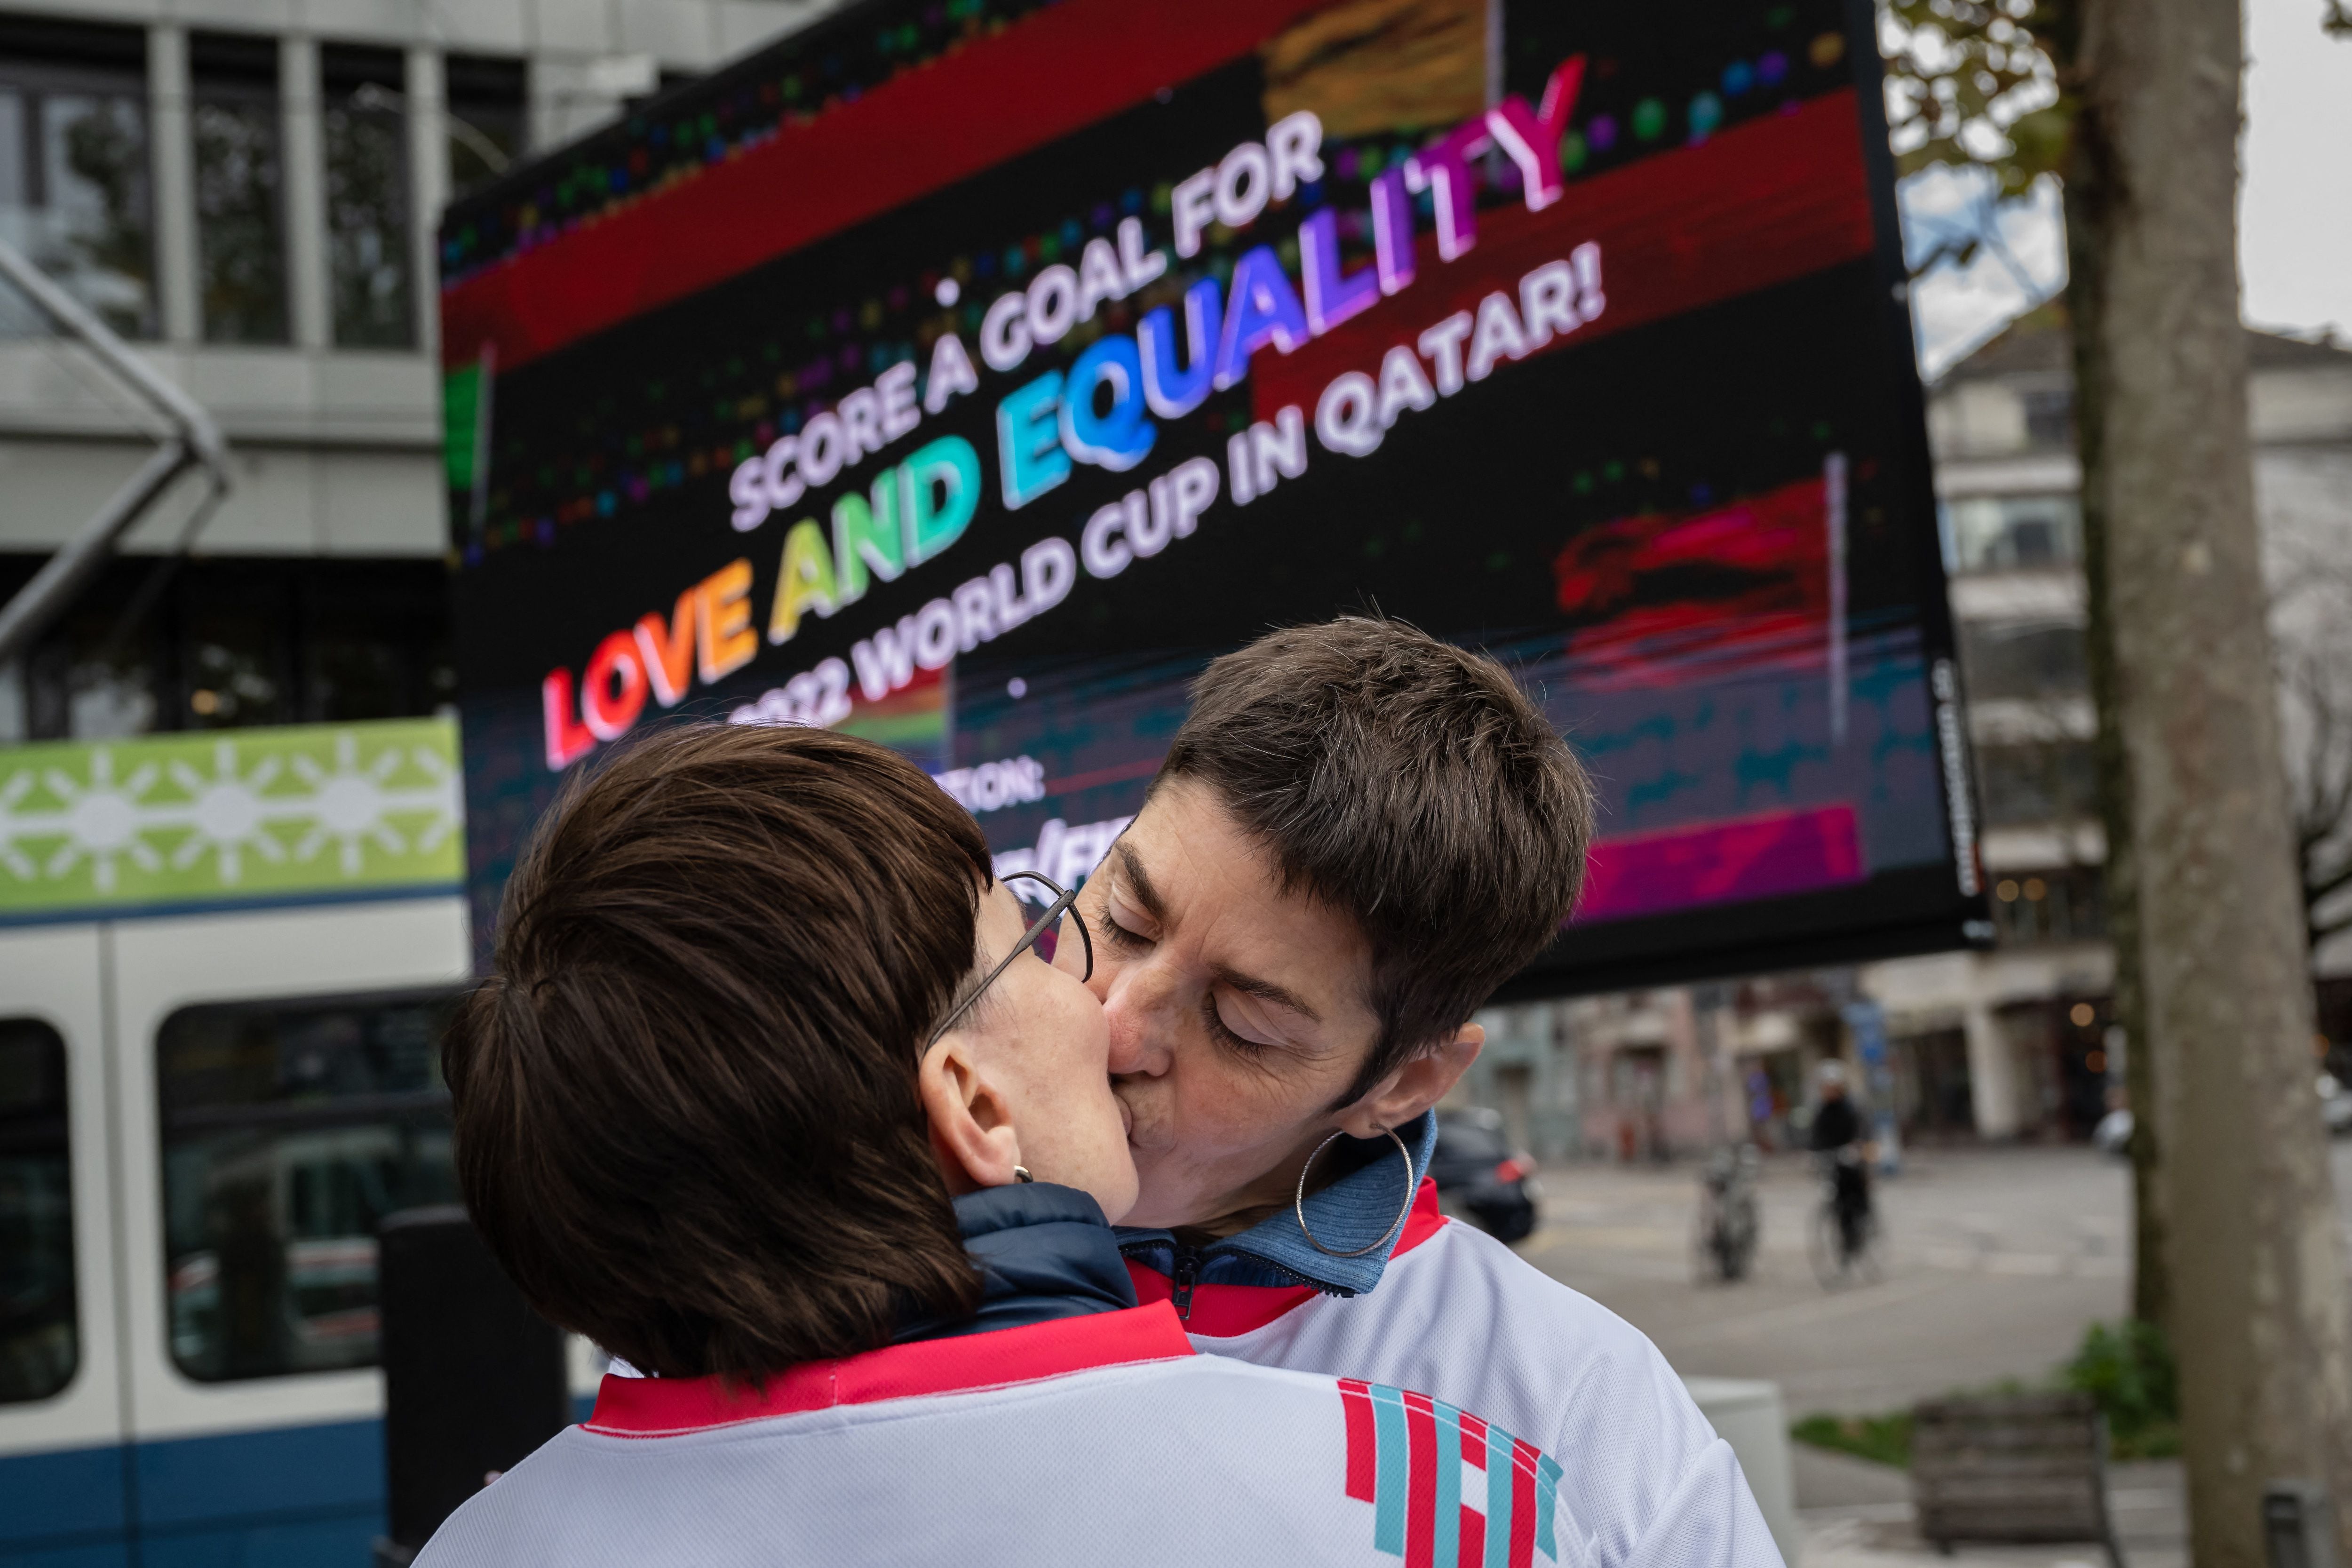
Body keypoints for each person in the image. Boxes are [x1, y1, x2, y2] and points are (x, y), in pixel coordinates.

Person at [419, 724, 1581, 1567]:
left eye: (1244, 1020)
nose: (1109, 1017)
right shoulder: (1409, 1502)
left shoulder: (481, 1544)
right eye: (1033, 942)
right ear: (973, 1108)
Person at [1080, 617, 1783, 1568]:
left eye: (1242, 1022)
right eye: (1122, 919)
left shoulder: (1575, 1411)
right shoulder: (852, 1250)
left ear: (1403, 1083)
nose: (1115, 1024)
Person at [1808, 1060, 1872, 1253]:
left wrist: (1856, 1147)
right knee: (1836, 1197)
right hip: (1833, 1158)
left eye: (1833, 1087)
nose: (1830, 1092)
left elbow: (1862, 1130)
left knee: (1856, 1186)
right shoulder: (1821, 1111)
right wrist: (1813, 1153)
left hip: (1852, 1158)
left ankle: (1864, 1220)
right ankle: (1846, 1238)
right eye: (1826, 1088)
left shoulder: (1852, 1107)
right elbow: (1816, 1136)